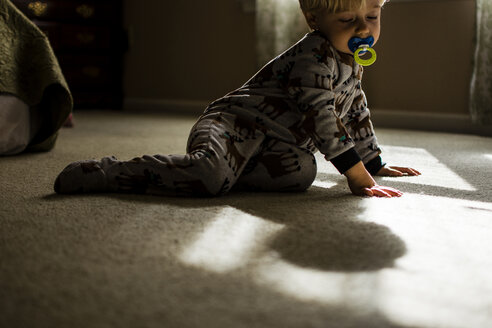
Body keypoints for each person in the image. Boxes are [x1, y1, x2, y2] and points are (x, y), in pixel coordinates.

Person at [54, 0, 420, 197]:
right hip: (234, 123)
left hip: (275, 140)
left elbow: (354, 107)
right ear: (313, 19)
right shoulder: (313, 57)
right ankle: (108, 172)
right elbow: (321, 116)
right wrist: (358, 177)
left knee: (301, 173)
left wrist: (372, 161)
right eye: (347, 19)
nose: (362, 29)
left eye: (372, 16)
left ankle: (229, 176)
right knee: (205, 175)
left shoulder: (351, 60)